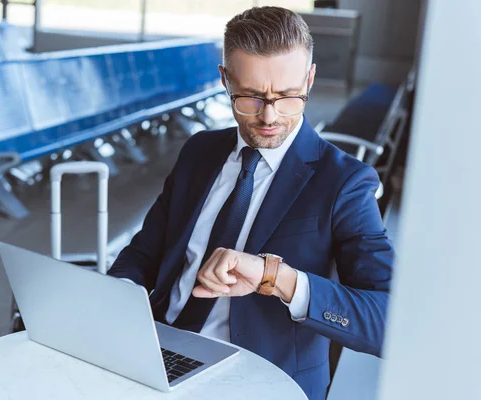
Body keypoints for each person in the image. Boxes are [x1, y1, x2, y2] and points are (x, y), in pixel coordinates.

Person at [108, 6, 393, 399]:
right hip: (156, 353)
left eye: (289, 96)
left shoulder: (344, 182)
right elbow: (144, 254)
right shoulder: (199, 152)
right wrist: (116, 300)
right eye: (251, 98)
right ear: (225, 79)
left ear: (309, 78)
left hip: (259, 381)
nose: (270, 116)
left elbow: (387, 321)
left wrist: (274, 278)